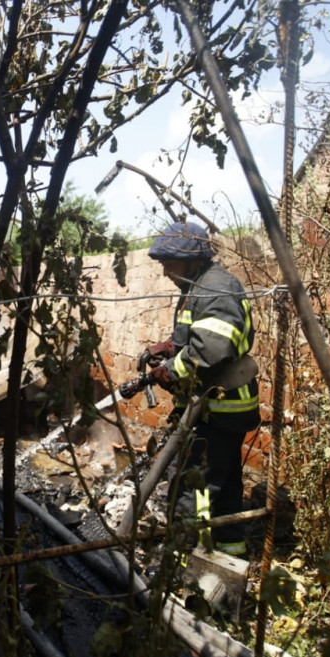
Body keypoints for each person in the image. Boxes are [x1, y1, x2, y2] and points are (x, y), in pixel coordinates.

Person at [120, 221, 260, 557]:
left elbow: (210, 350)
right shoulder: (197, 287)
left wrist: (169, 371)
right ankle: (229, 560)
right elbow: (195, 338)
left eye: (170, 264)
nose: (165, 272)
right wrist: (169, 348)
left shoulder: (216, 289)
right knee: (224, 488)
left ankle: (181, 565)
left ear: (193, 260)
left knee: (189, 489)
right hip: (216, 410)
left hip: (219, 410)